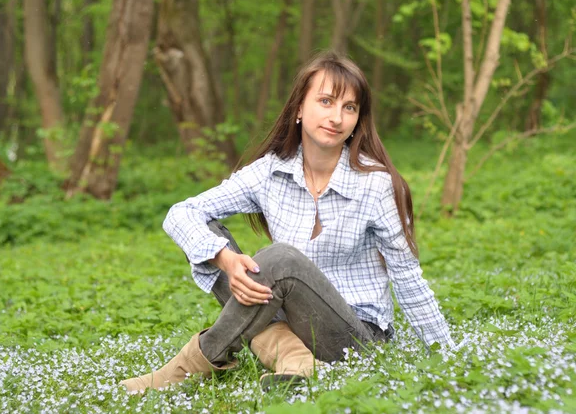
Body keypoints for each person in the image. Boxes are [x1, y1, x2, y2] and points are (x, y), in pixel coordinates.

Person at [120, 51, 455, 393]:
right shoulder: (270, 171)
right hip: (289, 322)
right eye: (325, 101)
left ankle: (193, 363)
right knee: (210, 238)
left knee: (280, 260)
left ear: (358, 119)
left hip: (355, 338)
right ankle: (297, 361)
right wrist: (227, 260)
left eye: (349, 107)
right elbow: (181, 213)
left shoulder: (376, 184)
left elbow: (408, 278)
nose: (336, 117)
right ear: (298, 108)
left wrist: (446, 357)